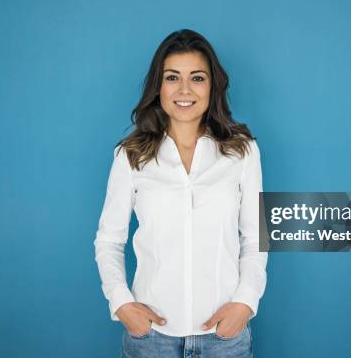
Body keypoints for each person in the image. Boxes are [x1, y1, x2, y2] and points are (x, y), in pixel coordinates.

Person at [93, 29, 268, 358]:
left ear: (212, 86)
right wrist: (122, 304)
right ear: (158, 87)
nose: (184, 89)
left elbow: (257, 236)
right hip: (151, 339)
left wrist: (246, 302)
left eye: (197, 78)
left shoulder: (242, 151)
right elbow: (108, 240)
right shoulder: (131, 156)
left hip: (225, 339)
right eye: (172, 77)